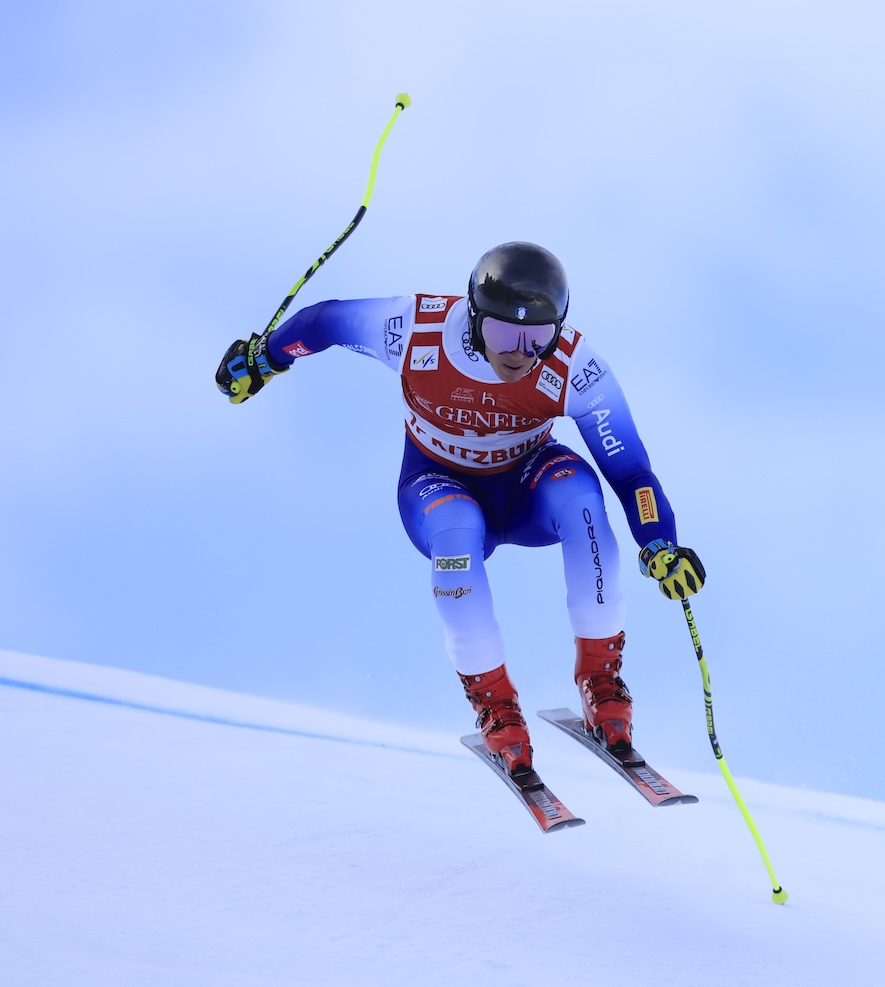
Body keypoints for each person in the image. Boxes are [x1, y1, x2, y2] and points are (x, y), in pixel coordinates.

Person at [215, 242, 706, 776]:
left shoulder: (575, 366)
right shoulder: (415, 329)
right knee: (456, 532)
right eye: (503, 334)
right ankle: (497, 705)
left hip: (527, 484)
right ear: (473, 316)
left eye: (538, 338)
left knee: (583, 499)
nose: (520, 353)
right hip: (437, 484)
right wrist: (265, 359)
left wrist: (659, 543)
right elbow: (323, 322)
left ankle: (602, 681)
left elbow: (630, 472)